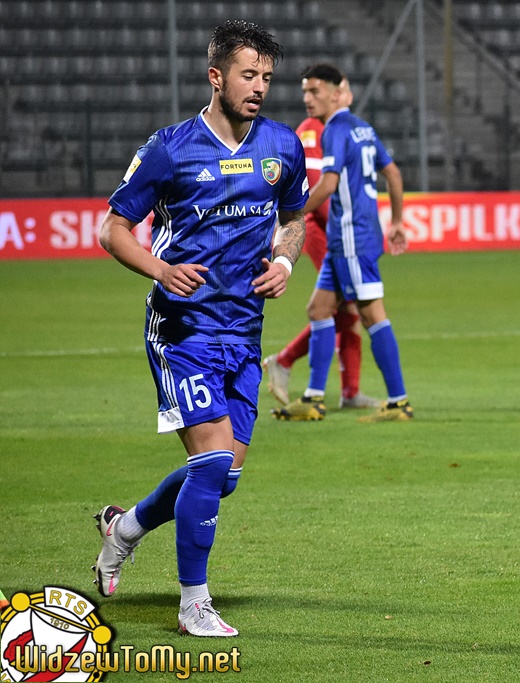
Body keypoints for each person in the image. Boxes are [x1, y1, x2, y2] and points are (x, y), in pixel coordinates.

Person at [91, 19, 308, 637]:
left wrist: (285, 261)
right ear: (216, 76)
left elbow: (293, 217)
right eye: (248, 74)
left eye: (267, 77)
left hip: (244, 331)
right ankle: (194, 605)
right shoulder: (170, 148)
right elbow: (111, 229)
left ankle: (124, 527)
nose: (259, 86)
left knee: (223, 478)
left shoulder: (281, 146)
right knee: (211, 463)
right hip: (182, 330)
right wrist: (160, 269)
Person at [272, 63, 412, 423]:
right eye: (305, 91)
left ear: (336, 94)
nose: (308, 98)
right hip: (345, 239)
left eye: (315, 91)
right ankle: (313, 398)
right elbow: (393, 173)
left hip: (352, 238)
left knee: (371, 314)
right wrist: (396, 222)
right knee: (319, 310)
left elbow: (328, 185)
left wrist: (291, 215)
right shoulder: (362, 128)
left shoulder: (334, 129)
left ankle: (398, 401)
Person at [261, 95, 379, 410]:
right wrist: (344, 230)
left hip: (339, 229)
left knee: (347, 309)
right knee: (342, 306)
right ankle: (286, 362)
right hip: (323, 227)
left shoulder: (339, 129)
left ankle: (348, 391)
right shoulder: (313, 130)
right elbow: (317, 190)